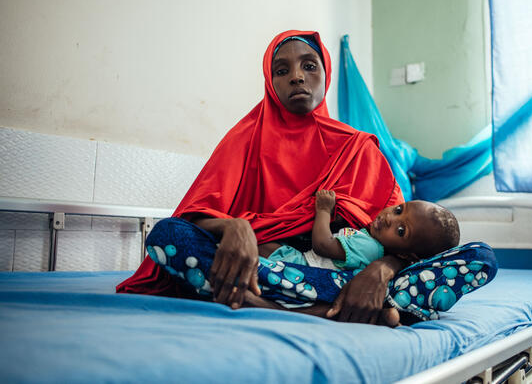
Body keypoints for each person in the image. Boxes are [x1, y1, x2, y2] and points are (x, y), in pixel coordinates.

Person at [117, 30, 407, 325]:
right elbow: (194, 216)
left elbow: (407, 235)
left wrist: (380, 272)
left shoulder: (359, 149)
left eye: (309, 66)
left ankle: (255, 300)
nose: (296, 76)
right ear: (270, 83)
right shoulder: (245, 139)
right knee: (169, 235)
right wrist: (234, 227)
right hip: (261, 266)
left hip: (337, 273)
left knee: (429, 269)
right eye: (282, 71)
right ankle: (322, 309)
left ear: (326, 72)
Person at [266, 190, 460, 270]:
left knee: (259, 242)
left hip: (299, 265)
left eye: (401, 230)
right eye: (399, 210)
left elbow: (323, 245)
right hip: (300, 259)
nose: (389, 218)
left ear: (404, 254)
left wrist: (324, 210)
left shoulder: (370, 248)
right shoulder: (369, 237)